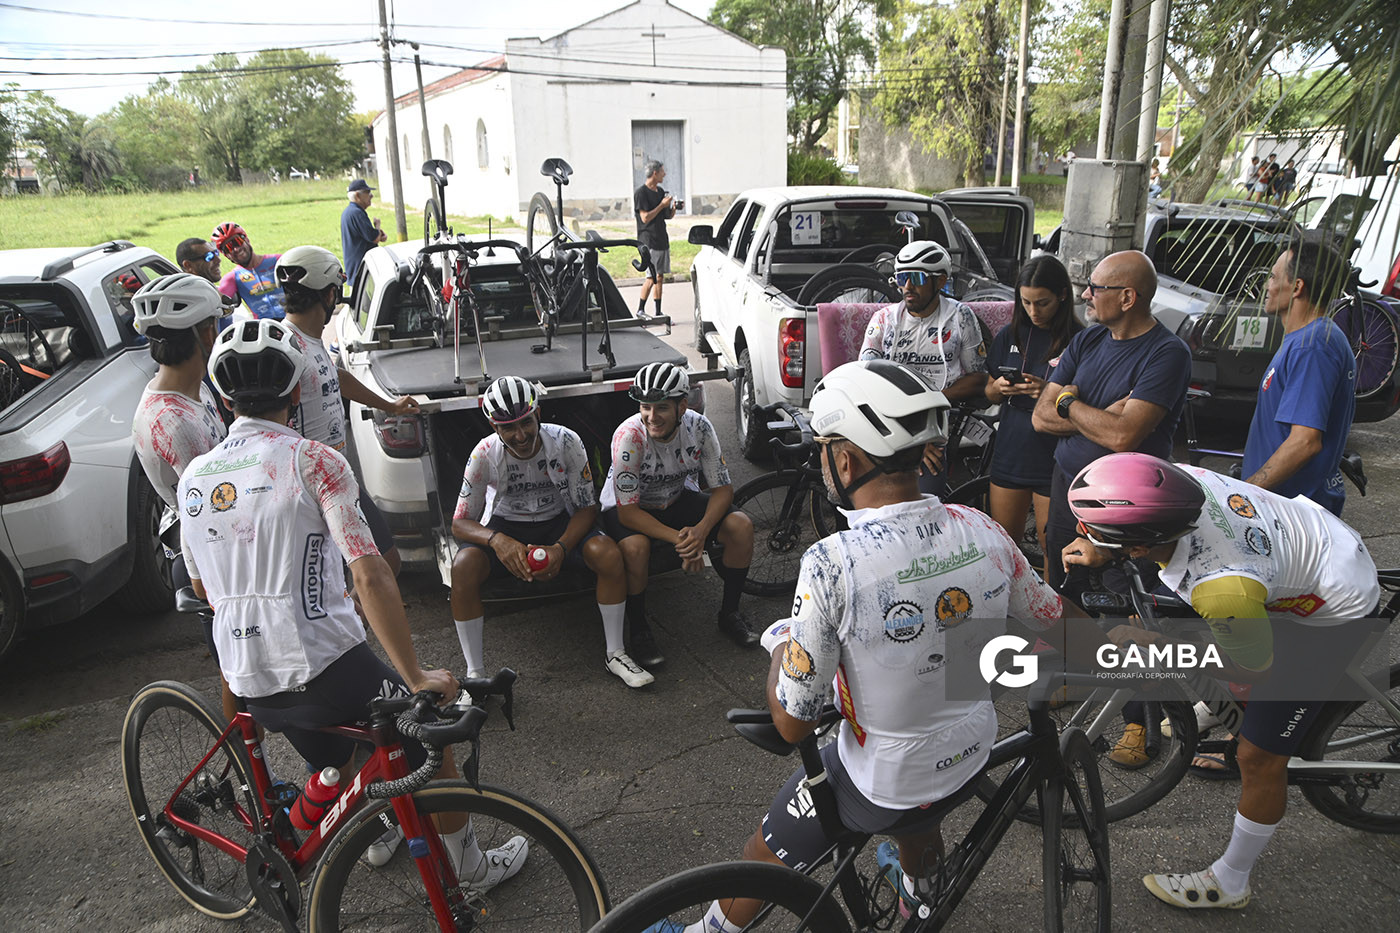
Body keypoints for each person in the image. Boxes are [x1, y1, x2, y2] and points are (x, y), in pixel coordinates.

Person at [667, 360, 1073, 932]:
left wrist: (783, 640)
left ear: (847, 459)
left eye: (824, 448)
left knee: (762, 857)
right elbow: (1063, 630)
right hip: (970, 754)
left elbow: (791, 724)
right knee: (919, 803)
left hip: (882, 780)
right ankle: (919, 895)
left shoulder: (832, 565)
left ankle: (705, 932)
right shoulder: (983, 529)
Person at [180, 317, 528, 884]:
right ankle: (469, 866)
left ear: (222, 396)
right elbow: (369, 575)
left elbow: (201, 588)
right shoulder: (315, 459)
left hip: (246, 676)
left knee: (342, 755)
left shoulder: (194, 475)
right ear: (297, 392)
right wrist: (414, 674)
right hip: (324, 664)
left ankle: (376, 830)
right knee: (429, 743)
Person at [1062, 452, 1380, 911]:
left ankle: (1232, 882)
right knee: (1221, 631)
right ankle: (1223, 703)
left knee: (1258, 757)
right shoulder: (1171, 482)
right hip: (1302, 545)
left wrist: (1164, 648)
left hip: (1333, 608)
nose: (1078, 534)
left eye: (1087, 528)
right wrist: (1104, 540)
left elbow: (1256, 667)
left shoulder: (1221, 587)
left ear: (1137, 547)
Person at [450, 375, 650, 688]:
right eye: (507, 428)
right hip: (505, 525)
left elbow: (586, 507)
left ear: (538, 414)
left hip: (558, 520)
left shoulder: (566, 441)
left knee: (608, 554)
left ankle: (616, 653)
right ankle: (475, 674)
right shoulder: (484, 454)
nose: (519, 435)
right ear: (493, 427)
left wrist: (560, 548)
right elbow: (460, 523)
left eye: (525, 423)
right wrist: (498, 541)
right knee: (462, 568)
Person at [1031, 248, 1190, 596]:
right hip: (1068, 485)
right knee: (1061, 572)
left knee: (1123, 589)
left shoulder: (1167, 353)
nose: (1086, 294)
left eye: (1095, 287)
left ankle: (1115, 650)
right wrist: (1097, 416)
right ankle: (1064, 646)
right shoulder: (1089, 338)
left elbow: (1122, 436)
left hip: (1126, 501)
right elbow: (1040, 417)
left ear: (1128, 298)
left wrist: (1068, 401)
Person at [599, 362, 758, 664]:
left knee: (741, 526)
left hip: (674, 498)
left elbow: (722, 489)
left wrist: (699, 532)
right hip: (631, 508)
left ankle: (730, 613)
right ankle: (640, 630)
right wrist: (683, 542)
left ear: (682, 406)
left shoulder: (699, 428)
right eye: (645, 407)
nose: (651, 417)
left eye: (661, 408)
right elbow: (629, 513)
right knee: (636, 547)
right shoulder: (629, 436)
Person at [275, 245, 418, 576]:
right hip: (310, 488)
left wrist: (390, 405)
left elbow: (333, 377)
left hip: (337, 475)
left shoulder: (308, 339)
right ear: (328, 294)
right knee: (369, 570)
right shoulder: (287, 348)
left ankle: (351, 618)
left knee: (383, 564)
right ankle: (350, 621)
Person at [129, 273, 235, 720]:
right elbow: (219, 505)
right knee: (240, 675)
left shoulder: (191, 388)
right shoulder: (172, 421)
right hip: (207, 550)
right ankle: (252, 773)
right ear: (205, 332)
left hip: (213, 535)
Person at [860, 240, 989, 495]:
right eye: (902, 277)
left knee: (927, 483)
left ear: (940, 281)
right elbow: (866, 380)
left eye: (916, 277)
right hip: (889, 415)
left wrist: (933, 399)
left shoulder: (960, 317)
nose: (907, 287)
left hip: (937, 417)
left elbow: (978, 378)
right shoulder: (884, 319)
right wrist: (910, 439)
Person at [983, 255, 1083, 575]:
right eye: (1025, 302)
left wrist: (1047, 392)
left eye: (1043, 302)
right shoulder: (1010, 334)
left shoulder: (1080, 340)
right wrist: (999, 388)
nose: (1034, 311)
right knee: (1003, 545)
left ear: (1062, 296)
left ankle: (1057, 610)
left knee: (1053, 543)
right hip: (1011, 447)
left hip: (1055, 455)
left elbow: (1089, 401)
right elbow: (987, 390)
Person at [1243, 238, 1355, 517]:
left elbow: (1305, 442)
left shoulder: (1313, 346)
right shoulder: (1308, 339)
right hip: (1282, 507)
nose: (1267, 285)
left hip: (1290, 513)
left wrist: (1244, 493)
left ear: (1297, 287)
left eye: (1272, 277)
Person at [212, 221, 285, 320]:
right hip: (264, 328)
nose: (236, 249)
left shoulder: (278, 261)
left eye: (236, 242)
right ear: (226, 255)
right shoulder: (232, 278)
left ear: (247, 239)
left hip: (293, 321)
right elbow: (217, 305)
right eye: (228, 248)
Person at [633, 160, 675, 319]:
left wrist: (672, 208)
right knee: (651, 277)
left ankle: (658, 311)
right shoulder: (641, 193)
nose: (665, 174)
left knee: (660, 276)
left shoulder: (660, 191)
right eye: (663, 171)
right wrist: (661, 206)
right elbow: (645, 217)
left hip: (661, 238)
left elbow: (666, 216)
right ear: (655, 173)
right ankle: (640, 310)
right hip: (648, 240)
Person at [341, 179, 387, 283]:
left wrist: (379, 233)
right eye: (367, 192)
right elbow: (374, 238)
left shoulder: (350, 211)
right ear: (357, 196)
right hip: (361, 269)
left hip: (356, 268)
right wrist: (377, 227)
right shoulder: (357, 213)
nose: (371, 196)